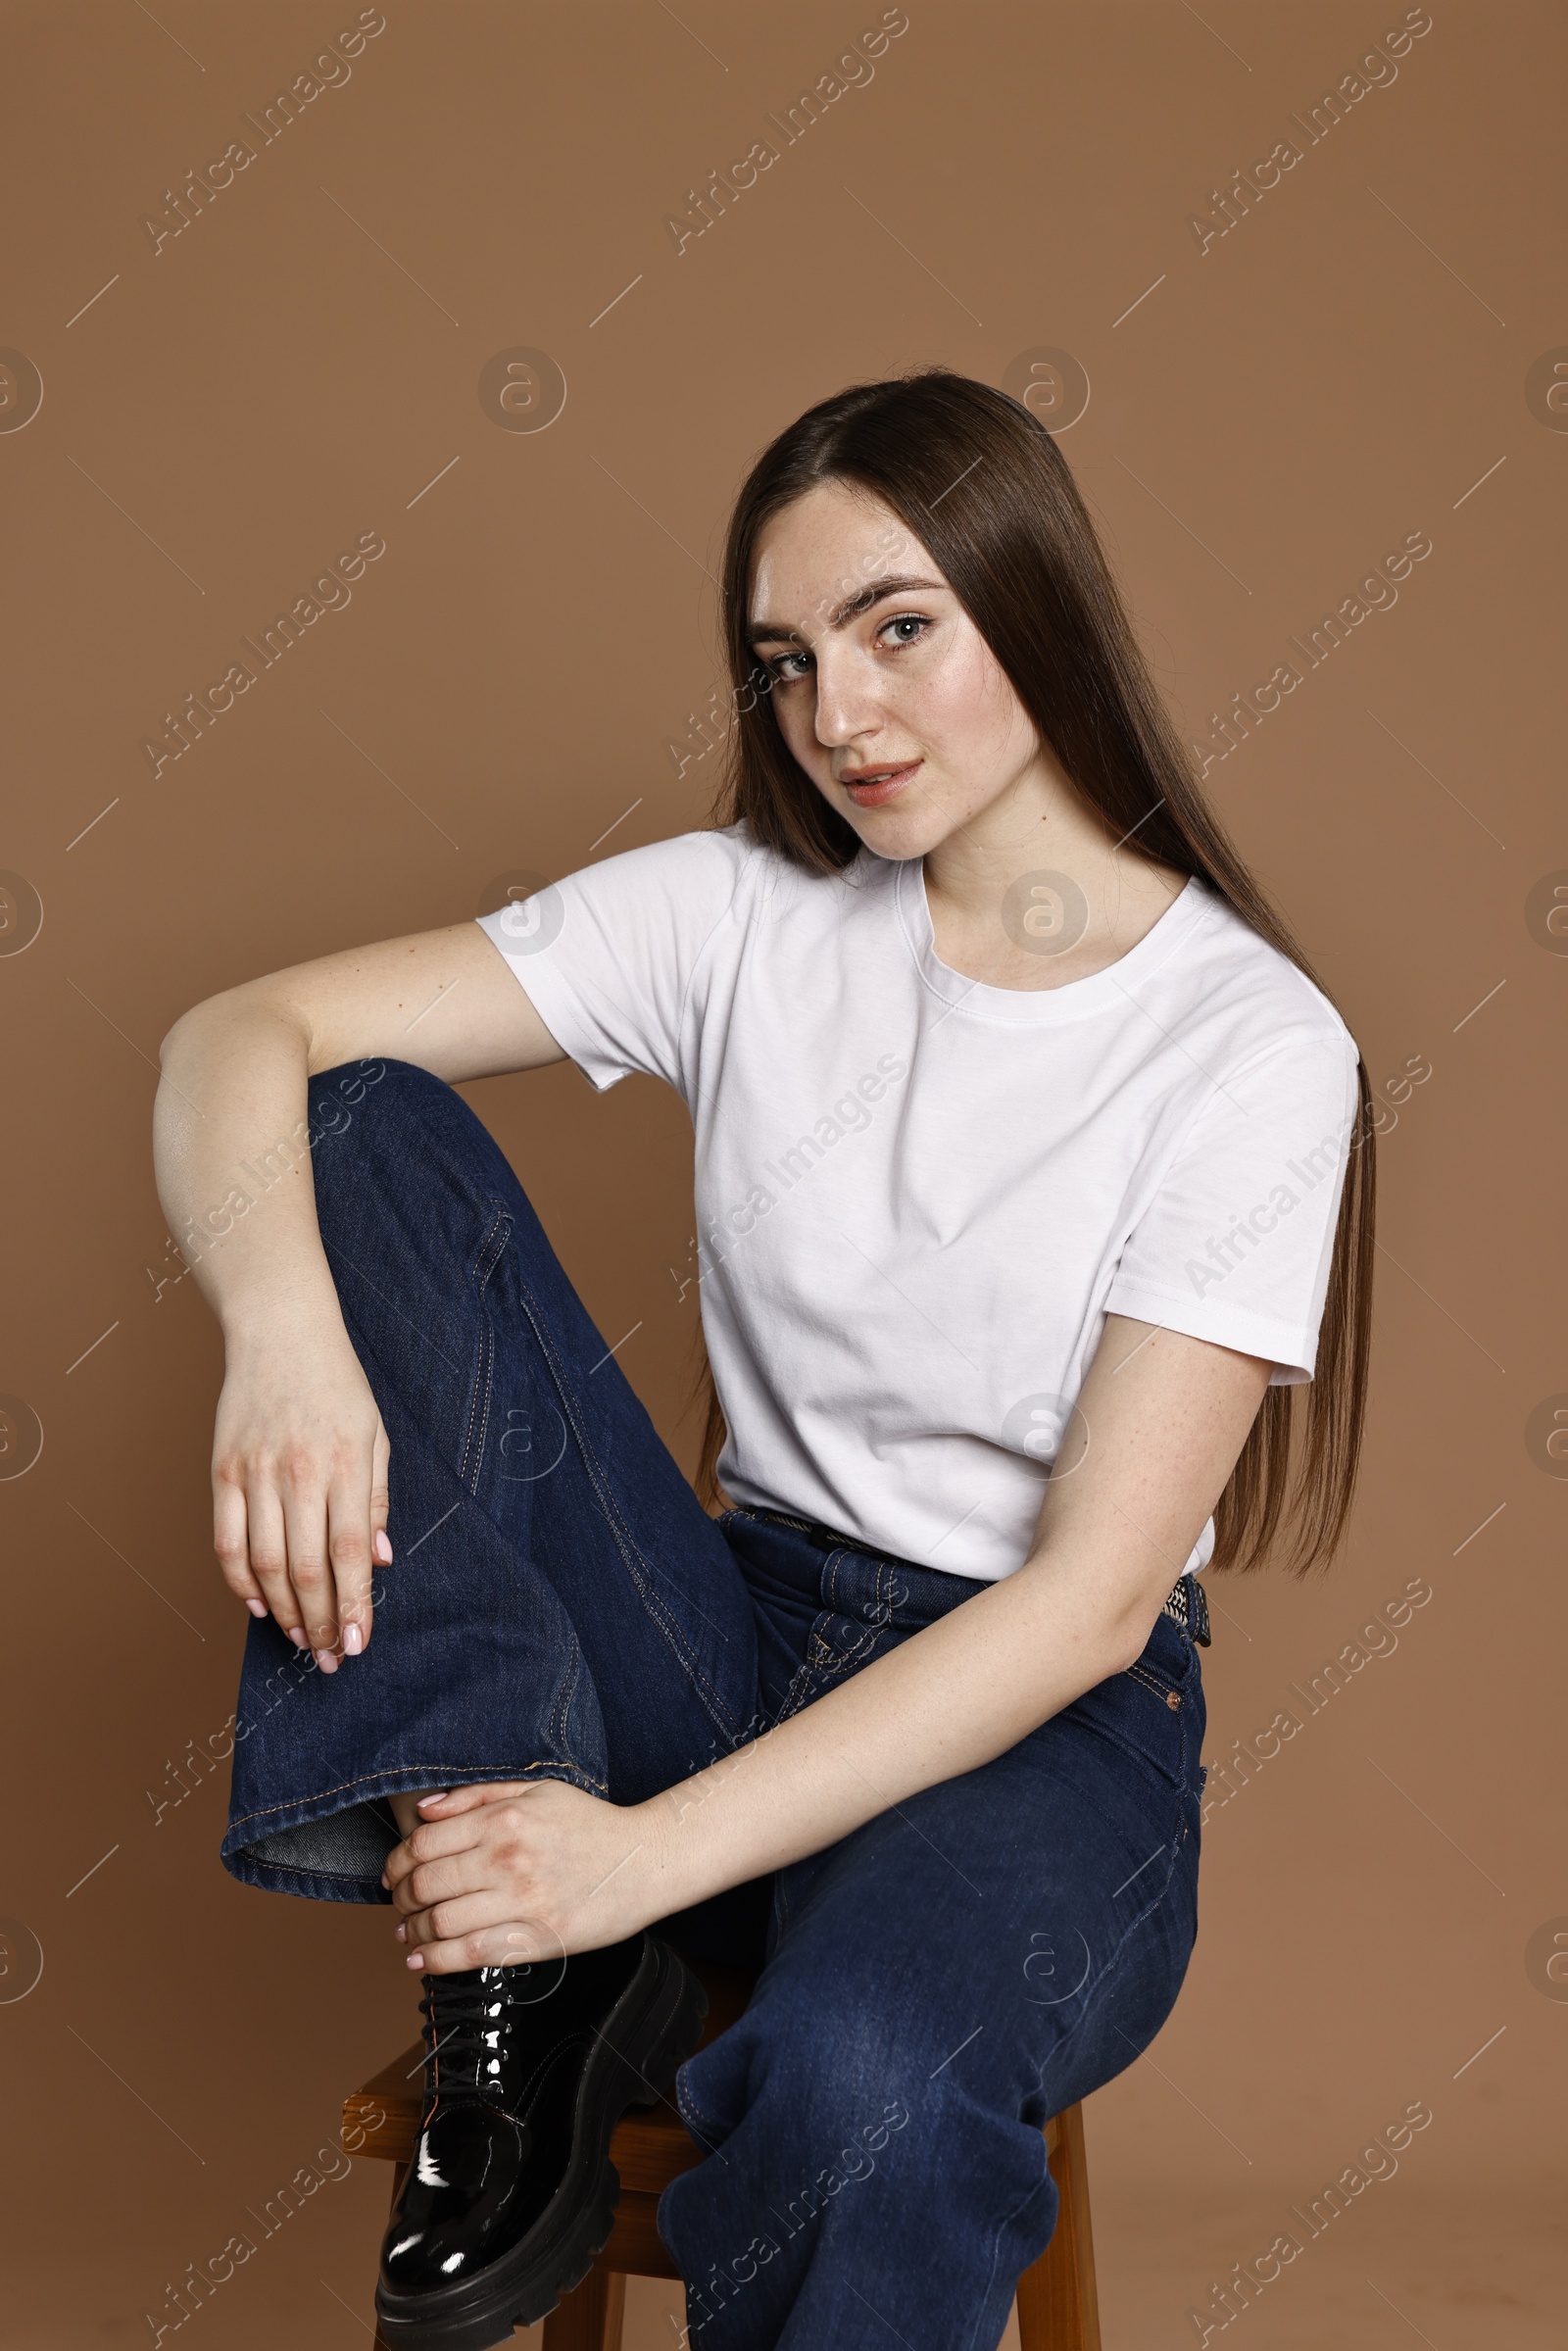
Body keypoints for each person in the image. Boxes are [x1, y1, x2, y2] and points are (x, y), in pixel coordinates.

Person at [154, 368, 1375, 2351]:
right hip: (719, 1632)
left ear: (1031, 602)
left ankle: (569, 1937)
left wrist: (623, 1863)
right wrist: (279, 1341)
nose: (840, 719)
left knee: (866, 2084)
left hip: (1037, 1731)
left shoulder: (1244, 1047)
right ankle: (528, 1981)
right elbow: (235, 1041)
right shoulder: (739, 915)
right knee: (349, 1124)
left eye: (900, 630)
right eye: (786, 662)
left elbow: (1076, 1611)